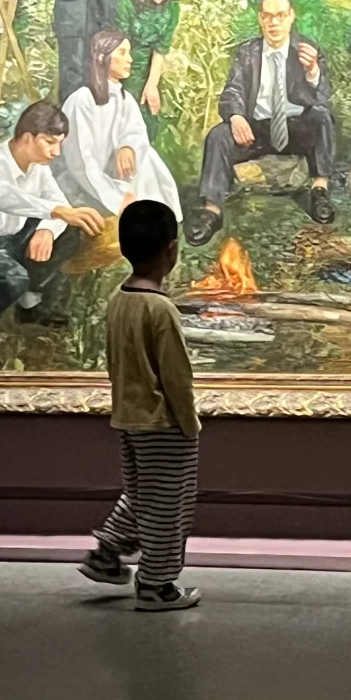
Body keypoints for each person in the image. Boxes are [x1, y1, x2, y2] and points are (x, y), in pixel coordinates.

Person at [78, 199, 201, 612]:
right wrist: (189, 424)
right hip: (163, 424)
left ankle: (107, 553)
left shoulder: (120, 300)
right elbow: (176, 376)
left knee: (142, 493)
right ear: (171, 250)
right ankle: (156, 584)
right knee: (168, 505)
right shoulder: (160, 308)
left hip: (128, 418)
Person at [0, 101, 106, 338]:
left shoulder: (38, 168)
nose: (56, 152)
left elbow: (58, 202)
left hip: (10, 240)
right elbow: (2, 195)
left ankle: (29, 307)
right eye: (49, 142)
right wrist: (56, 212)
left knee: (69, 229)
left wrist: (46, 230)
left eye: (59, 144)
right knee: (12, 279)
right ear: (27, 137)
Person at [186, 0, 335, 246]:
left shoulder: (306, 49)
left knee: (322, 116)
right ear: (260, 18)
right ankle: (212, 210)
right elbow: (232, 91)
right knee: (218, 135)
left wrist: (312, 71)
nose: (274, 23)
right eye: (267, 16)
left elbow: (322, 96)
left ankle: (319, 190)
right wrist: (236, 116)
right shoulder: (247, 52)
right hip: (256, 130)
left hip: (296, 128)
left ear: (291, 17)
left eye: (280, 16)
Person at [58, 30, 184, 222]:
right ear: (102, 57)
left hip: (115, 176)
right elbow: (80, 160)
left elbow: (136, 133)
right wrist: (117, 199)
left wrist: (127, 146)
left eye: (129, 53)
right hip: (84, 184)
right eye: (122, 53)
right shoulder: (81, 101)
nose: (130, 59)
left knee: (148, 157)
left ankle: (161, 218)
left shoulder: (126, 99)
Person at [117, 0, 181, 143]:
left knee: (150, 123)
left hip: (151, 70)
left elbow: (161, 49)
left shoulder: (173, 8)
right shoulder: (127, 5)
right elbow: (118, 48)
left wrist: (152, 85)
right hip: (123, 68)